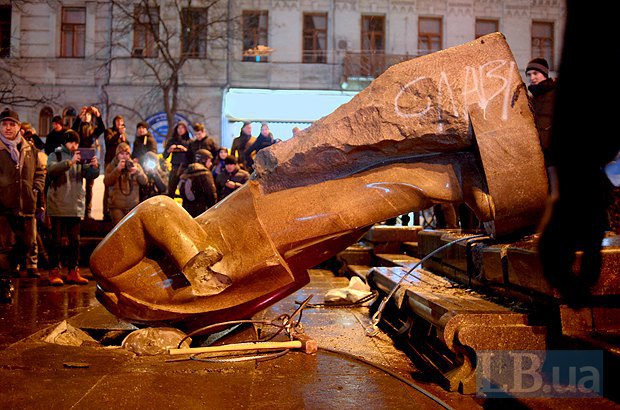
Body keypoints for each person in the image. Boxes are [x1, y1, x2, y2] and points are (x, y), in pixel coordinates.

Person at [0, 109, 45, 302]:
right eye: (4, 124)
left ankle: (5, 275)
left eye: (12, 124)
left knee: (26, 244)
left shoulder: (30, 149)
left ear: (19, 127)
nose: (8, 128)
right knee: (3, 247)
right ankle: (4, 283)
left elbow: (40, 171)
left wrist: (36, 189)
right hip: (3, 206)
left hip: (26, 205)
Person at [45, 129, 99, 286]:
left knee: (74, 241)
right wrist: (70, 162)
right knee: (56, 241)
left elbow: (89, 175)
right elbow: (51, 170)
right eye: (71, 142)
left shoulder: (80, 157)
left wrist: (94, 167)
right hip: (57, 204)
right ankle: (54, 271)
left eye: (76, 143)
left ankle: (73, 271)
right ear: (65, 142)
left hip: (75, 205)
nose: (74, 145)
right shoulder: (56, 155)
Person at [72, 105, 105, 219]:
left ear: (91, 117)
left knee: (90, 187)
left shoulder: (94, 128)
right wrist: (79, 116)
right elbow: (73, 129)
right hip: (79, 156)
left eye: (88, 115)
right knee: (77, 184)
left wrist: (98, 115)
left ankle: (88, 211)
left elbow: (102, 129)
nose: (86, 117)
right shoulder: (79, 127)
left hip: (90, 156)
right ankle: (77, 210)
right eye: (85, 115)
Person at [104, 142, 148, 225]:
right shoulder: (111, 166)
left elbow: (144, 181)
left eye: (127, 154)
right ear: (117, 155)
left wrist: (137, 172)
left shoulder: (135, 166)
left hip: (133, 207)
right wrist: (117, 170)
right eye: (121, 153)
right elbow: (107, 182)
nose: (124, 156)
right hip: (116, 207)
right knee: (119, 232)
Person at [526, 58, 557, 168]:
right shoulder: (533, 98)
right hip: (538, 156)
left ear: (544, 73)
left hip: (553, 158)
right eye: (529, 75)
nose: (532, 78)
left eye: (535, 73)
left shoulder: (554, 94)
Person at [178, 149, 218, 217]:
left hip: (187, 210)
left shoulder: (186, 172)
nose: (211, 163)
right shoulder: (205, 174)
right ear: (204, 160)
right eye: (209, 161)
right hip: (202, 210)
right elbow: (210, 194)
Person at [103, 115, 128, 221]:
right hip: (110, 161)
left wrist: (123, 138)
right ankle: (106, 211)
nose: (119, 123)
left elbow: (125, 146)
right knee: (108, 187)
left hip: (121, 162)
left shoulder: (123, 134)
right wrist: (119, 134)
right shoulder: (109, 131)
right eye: (118, 121)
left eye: (121, 121)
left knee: (120, 186)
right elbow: (109, 142)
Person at [162, 121, 191, 198]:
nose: (180, 130)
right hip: (174, 167)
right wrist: (169, 150)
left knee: (185, 190)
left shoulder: (189, 141)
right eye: (179, 128)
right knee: (171, 189)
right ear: (176, 129)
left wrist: (185, 150)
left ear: (186, 129)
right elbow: (164, 155)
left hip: (185, 168)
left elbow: (192, 156)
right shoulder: (172, 140)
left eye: (183, 128)